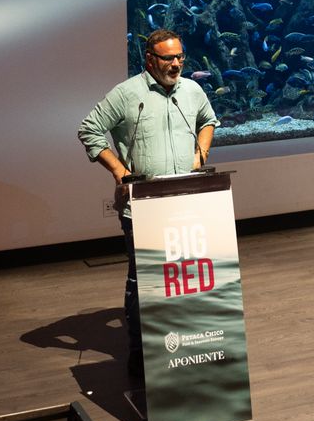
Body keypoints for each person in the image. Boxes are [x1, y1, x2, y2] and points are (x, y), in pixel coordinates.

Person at [77, 28, 218, 389]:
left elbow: (208, 120)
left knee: (186, 276)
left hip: (187, 202)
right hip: (143, 206)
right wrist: (120, 172)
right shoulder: (128, 94)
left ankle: (186, 346)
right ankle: (141, 352)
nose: (176, 64)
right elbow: (90, 129)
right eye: (168, 58)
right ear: (149, 59)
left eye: (180, 58)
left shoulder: (192, 90)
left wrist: (200, 155)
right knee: (145, 281)